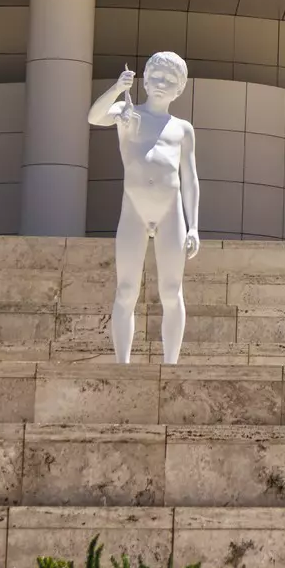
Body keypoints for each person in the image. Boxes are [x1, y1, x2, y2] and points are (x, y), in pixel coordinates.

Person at [88, 51, 200, 364]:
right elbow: (94, 117)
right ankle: (122, 365)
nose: (161, 83)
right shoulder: (127, 112)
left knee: (171, 291)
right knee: (126, 290)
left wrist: (193, 226)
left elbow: (190, 179)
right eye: (156, 77)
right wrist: (116, 88)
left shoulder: (182, 129)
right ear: (145, 80)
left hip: (170, 212)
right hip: (134, 210)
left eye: (169, 80)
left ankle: (171, 365)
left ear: (180, 89)